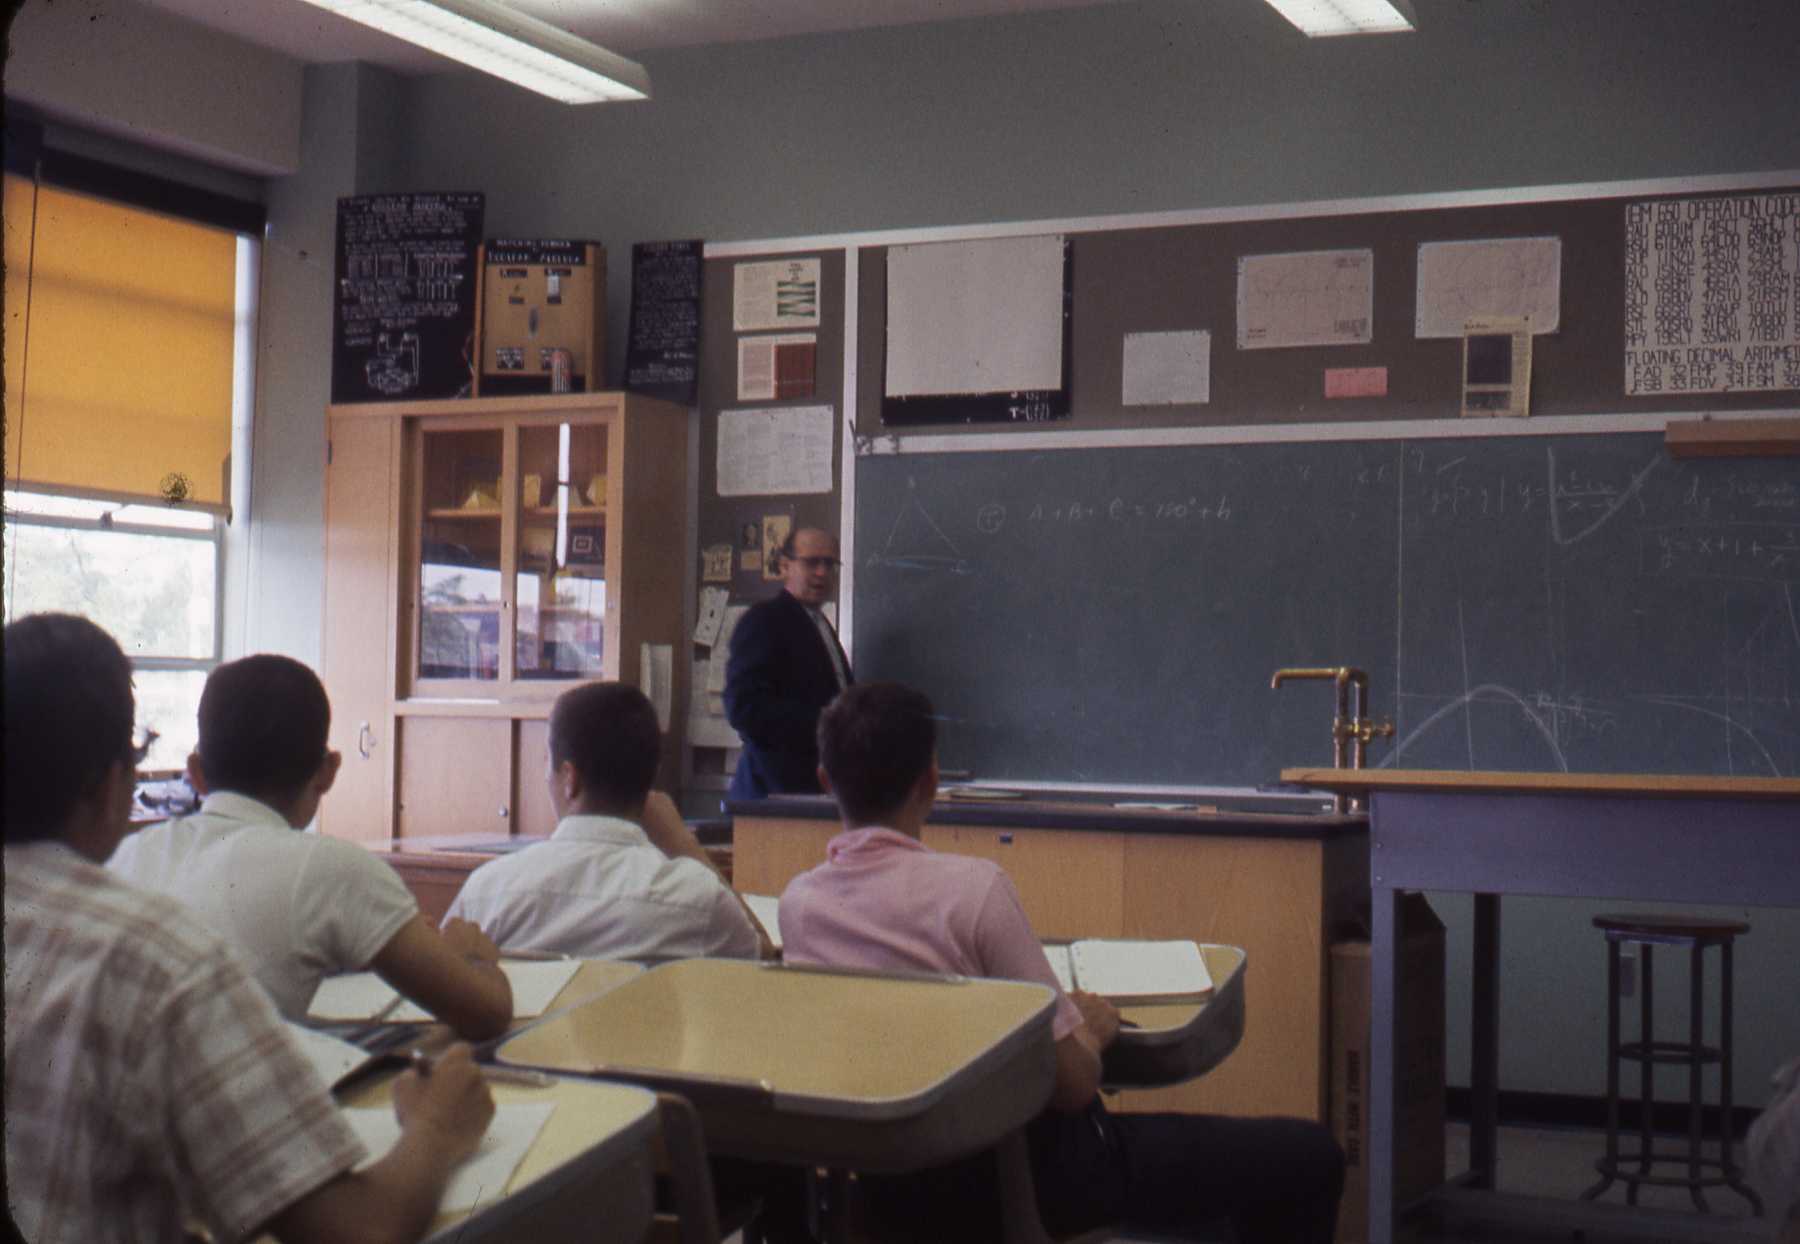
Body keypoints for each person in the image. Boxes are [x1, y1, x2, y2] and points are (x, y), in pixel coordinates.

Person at [780, 681, 1345, 1242]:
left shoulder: (800, 907)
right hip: (1035, 1182)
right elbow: (1071, 1085)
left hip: (886, 1196)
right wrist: (1091, 1033)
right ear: (930, 780)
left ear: (826, 780)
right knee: (1310, 1156)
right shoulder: (974, 892)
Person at [4, 613, 495, 1244]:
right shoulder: (158, 961)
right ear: (110, 787)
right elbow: (360, 1232)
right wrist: (437, 1129)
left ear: (198, 771)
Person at [108, 653, 512, 1037]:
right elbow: (486, 1013)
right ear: (328, 772)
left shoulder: (124, 857)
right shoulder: (335, 868)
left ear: (195, 773)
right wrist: (472, 956)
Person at [447, 681, 766, 960]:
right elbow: (762, 956)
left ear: (569, 778)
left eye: (548, 763)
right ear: (652, 777)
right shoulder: (697, 898)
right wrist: (684, 844)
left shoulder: (487, 891)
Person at [724, 526, 851, 798]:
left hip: (817, 788)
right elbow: (743, 708)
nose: (822, 572)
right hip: (773, 793)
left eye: (829, 564)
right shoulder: (764, 621)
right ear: (784, 566)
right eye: (812, 562)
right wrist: (830, 722)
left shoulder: (819, 624)